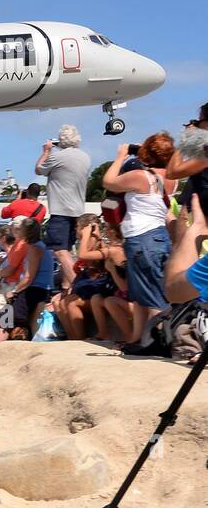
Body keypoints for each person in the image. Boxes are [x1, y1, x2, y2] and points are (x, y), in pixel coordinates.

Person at [103, 133, 175, 350]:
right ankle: (140, 339)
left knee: (152, 295)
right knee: (144, 292)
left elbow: (108, 182)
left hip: (142, 238)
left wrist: (121, 156)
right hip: (159, 236)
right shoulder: (171, 178)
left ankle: (160, 342)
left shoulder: (141, 176)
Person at [35, 124, 90, 290]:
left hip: (61, 211)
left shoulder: (58, 157)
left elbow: (39, 169)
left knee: (59, 250)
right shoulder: (85, 157)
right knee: (68, 249)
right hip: (78, 210)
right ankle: (68, 287)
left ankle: (78, 285)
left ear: (61, 141)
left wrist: (46, 151)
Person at [3, 217, 52, 339]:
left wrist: (14, 291)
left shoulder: (34, 249)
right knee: (14, 317)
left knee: (5, 318)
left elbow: (29, 277)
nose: (17, 232)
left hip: (36, 290)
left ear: (26, 232)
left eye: (20, 230)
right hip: (40, 289)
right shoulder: (40, 246)